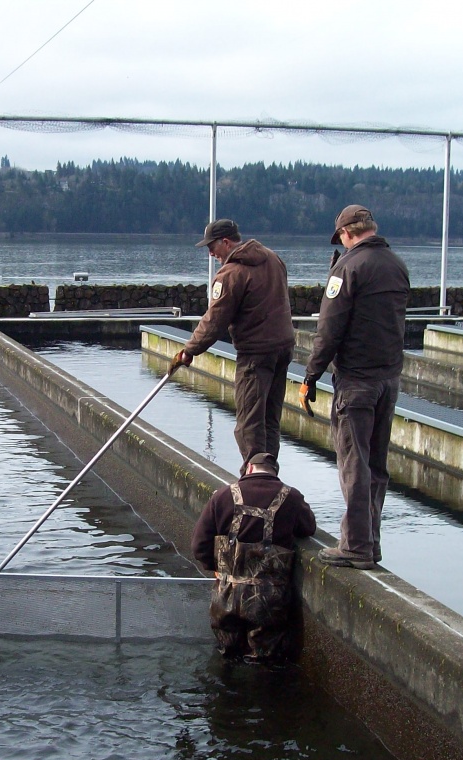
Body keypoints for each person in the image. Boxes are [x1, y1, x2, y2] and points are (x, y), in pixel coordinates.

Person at [303, 204, 410, 569]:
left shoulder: (347, 268)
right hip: (389, 379)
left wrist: (310, 375)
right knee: (376, 466)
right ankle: (371, 542)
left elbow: (328, 330)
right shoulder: (397, 265)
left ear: (346, 234)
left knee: (354, 464)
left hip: (357, 382)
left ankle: (356, 546)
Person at [172, 219, 295, 472]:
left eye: (212, 246)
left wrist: (189, 350)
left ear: (226, 242)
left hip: (255, 354)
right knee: (270, 419)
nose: (210, 253)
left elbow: (214, 321)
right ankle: (269, 474)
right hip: (283, 349)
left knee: (249, 422)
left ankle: (255, 479)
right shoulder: (273, 259)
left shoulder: (231, 273)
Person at [191, 452, 317, 662]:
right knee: (264, 664)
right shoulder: (291, 497)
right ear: (275, 473)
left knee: (227, 656)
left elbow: (199, 545)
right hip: (268, 601)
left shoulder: (222, 495)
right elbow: (308, 528)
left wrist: (215, 567)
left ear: (248, 468)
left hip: (226, 595)